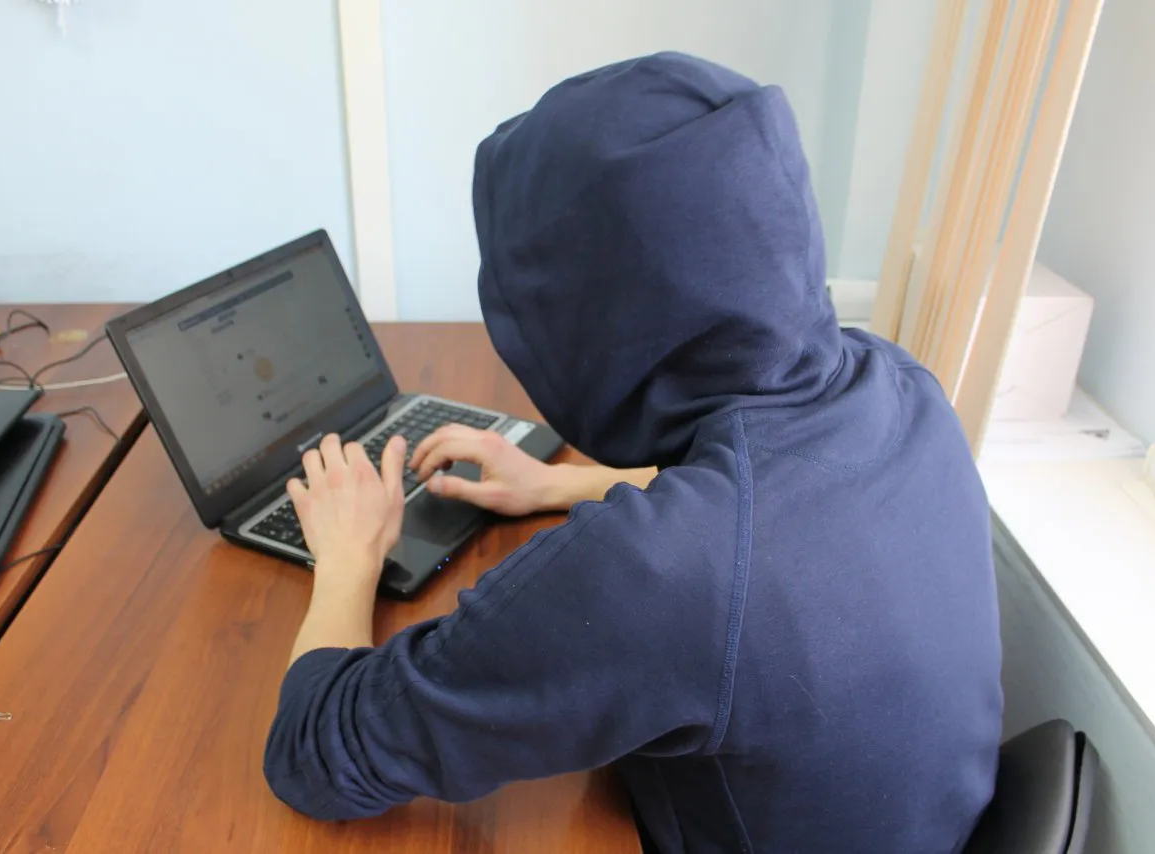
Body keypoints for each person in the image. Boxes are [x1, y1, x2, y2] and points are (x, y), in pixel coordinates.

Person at [263, 52, 1002, 853]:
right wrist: (561, 484)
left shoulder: (662, 575)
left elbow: (315, 754)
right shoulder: (899, 385)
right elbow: (773, 500)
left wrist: (348, 558)